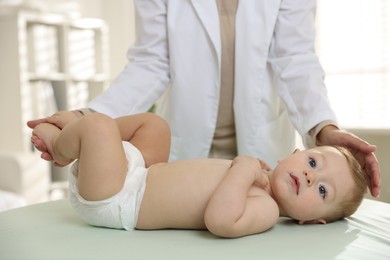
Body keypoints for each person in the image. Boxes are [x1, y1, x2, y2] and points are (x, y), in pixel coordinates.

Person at [27, 0, 380, 197]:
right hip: (183, 147)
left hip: (262, 150)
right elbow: (151, 63)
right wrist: (89, 116)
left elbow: (294, 58)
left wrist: (323, 127)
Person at [31, 112, 367, 238]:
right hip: (141, 174)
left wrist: (242, 169)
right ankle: (89, 137)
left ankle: (62, 144)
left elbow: (220, 220)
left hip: (118, 199)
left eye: (323, 192)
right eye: (312, 164)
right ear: (293, 155)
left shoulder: (265, 210)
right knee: (156, 125)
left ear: (311, 221)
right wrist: (249, 169)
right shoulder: (261, 175)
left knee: (99, 125)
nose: (311, 179)